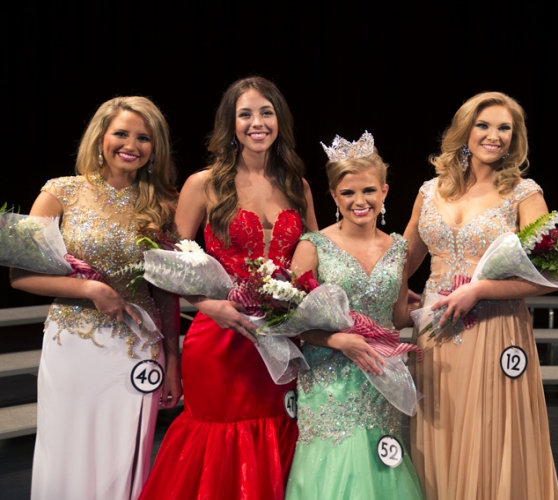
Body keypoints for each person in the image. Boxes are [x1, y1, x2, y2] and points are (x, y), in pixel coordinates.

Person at [139, 76, 316, 500]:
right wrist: (208, 306)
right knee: (219, 446)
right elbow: (167, 270)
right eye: (246, 114)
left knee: (277, 436)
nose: (258, 123)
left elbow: (318, 251)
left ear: (280, 120)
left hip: (282, 341)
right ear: (231, 124)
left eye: (266, 112)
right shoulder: (204, 184)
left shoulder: (298, 184)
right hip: (220, 339)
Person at [10, 96, 181, 500]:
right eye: (121, 133)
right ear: (101, 137)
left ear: (155, 147)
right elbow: (20, 275)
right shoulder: (59, 192)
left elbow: (166, 293)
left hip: (137, 349)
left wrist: (174, 359)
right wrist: (87, 288)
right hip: (73, 347)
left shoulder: (162, 205)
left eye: (144, 137)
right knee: (66, 450)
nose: (131, 145)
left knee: (122, 457)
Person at [404, 92, 558, 500]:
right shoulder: (430, 189)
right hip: (435, 332)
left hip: (494, 330)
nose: (494, 136)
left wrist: (481, 289)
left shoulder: (524, 194)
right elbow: (401, 261)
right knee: (440, 430)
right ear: (465, 131)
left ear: (515, 137)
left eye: (504, 128)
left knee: (489, 432)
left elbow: (554, 275)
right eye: (484, 125)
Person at [285, 132, 424, 499]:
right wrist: (336, 340)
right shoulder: (313, 246)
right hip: (328, 376)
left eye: (368, 191)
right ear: (333, 196)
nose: (359, 201)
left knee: (378, 465)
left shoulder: (398, 248)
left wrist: (435, 306)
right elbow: (285, 321)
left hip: (379, 374)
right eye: (347, 193)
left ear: (384, 192)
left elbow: (396, 318)